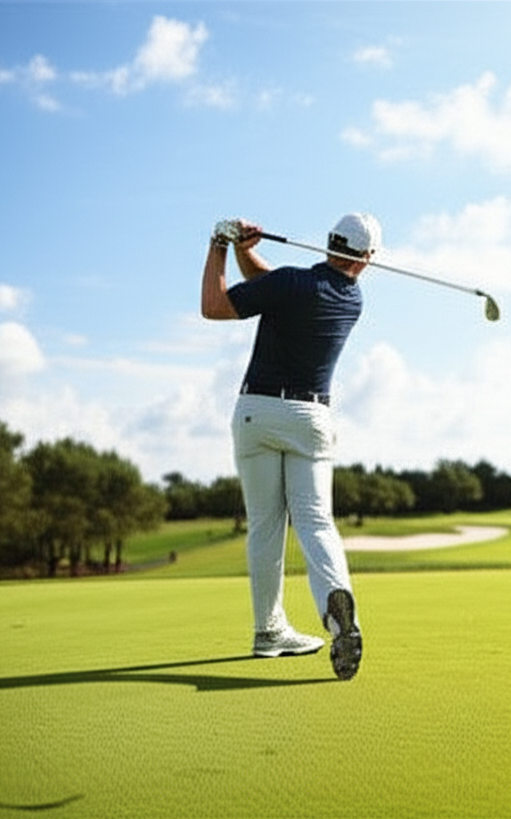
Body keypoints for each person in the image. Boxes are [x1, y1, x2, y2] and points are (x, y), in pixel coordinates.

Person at [200, 213, 381, 681]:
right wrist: (245, 252)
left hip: (257, 412)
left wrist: (219, 244)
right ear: (367, 258)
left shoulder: (290, 285)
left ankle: (268, 631)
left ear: (328, 244)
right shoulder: (351, 298)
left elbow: (216, 306)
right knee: (316, 521)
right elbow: (273, 285)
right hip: (310, 419)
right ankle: (338, 608)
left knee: (265, 525)